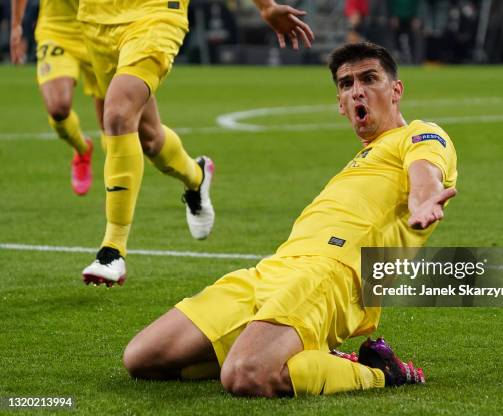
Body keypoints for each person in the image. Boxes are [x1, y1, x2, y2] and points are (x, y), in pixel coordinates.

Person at [121, 42, 457, 397]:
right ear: (341, 106)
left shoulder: (419, 135)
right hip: (275, 269)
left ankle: (380, 372)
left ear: (396, 90)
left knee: (245, 376)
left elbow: (425, 173)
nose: (357, 90)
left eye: (369, 78)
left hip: (331, 274)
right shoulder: (365, 157)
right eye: (346, 84)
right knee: (142, 358)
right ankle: (291, 350)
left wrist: (422, 202)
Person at [79, 0, 315, 286]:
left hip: (155, 15)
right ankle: (196, 175)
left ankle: (112, 250)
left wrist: (264, 6)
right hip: (95, 20)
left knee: (117, 115)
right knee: (149, 138)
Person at [10, 0, 104, 196]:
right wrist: (17, 26)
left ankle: (116, 198)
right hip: (57, 29)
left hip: (100, 28)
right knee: (57, 107)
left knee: (114, 124)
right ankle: (81, 148)